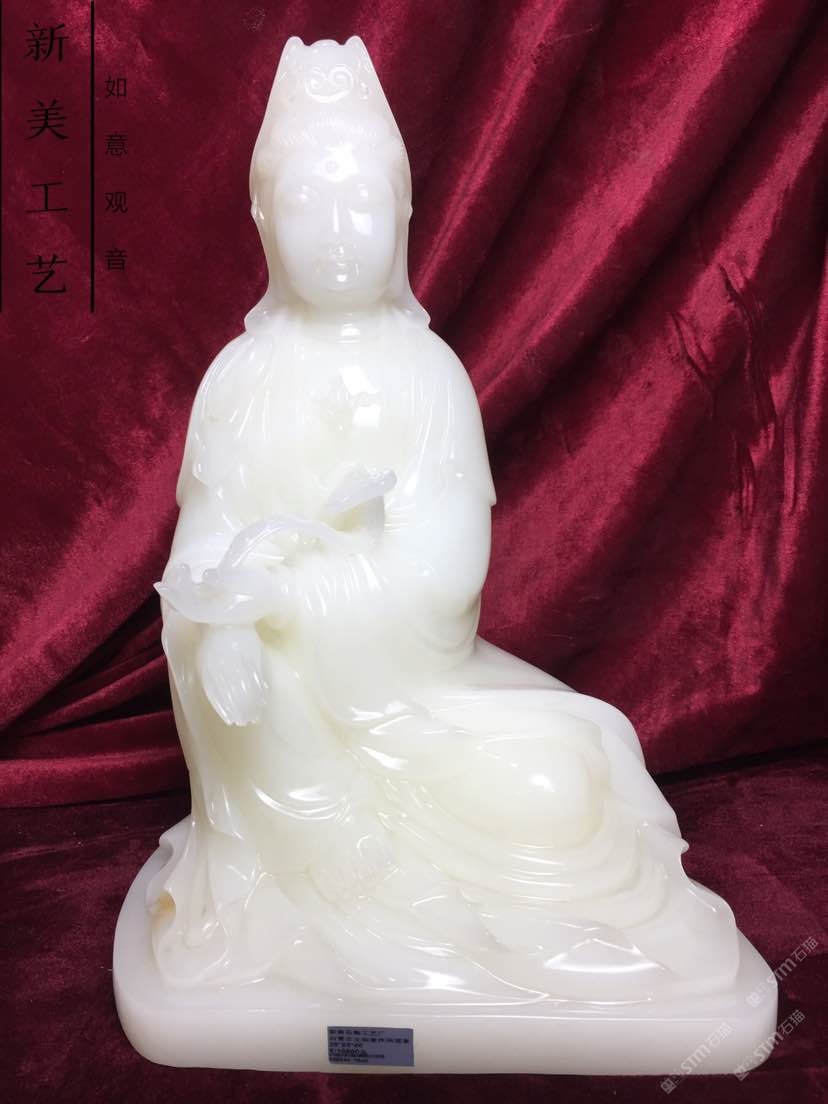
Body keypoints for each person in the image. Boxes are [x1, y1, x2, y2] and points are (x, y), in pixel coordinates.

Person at [149, 36, 740, 1003]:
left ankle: (429, 902)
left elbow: (448, 583)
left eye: (361, 201)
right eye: (305, 202)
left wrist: (289, 598)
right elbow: (198, 555)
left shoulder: (428, 378)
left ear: (404, 214)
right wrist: (217, 627)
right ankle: (311, 893)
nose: (336, 231)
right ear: (261, 218)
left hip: (409, 695)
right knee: (246, 694)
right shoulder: (239, 381)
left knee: (564, 780)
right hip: (284, 717)